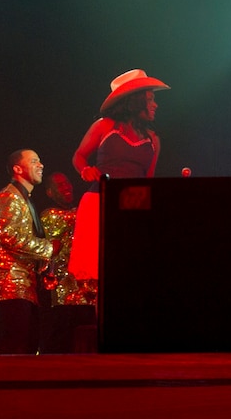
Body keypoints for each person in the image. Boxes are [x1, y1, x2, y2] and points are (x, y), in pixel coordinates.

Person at [70, 69, 167, 284]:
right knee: (100, 277)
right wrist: (85, 170)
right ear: (135, 101)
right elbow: (79, 156)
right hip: (99, 204)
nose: (155, 105)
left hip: (133, 208)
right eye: (150, 99)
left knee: (130, 274)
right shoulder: (104, 126)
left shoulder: (154, 140)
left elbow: (148, 184)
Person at [0, 149, 53, 354]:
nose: (40, 165)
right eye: (34, 161)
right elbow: (12, 239)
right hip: (10, 283)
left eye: (40, 161)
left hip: (24, 284)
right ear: (17, 168)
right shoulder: (8, 197)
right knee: (16, 346)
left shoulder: (23, 198)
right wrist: (50, 247)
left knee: (27, 346)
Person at [37, 171, 95, 353]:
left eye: (67, 183)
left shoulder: (78, 212)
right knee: (61, 341)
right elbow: (76, 219)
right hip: (62, 292)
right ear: (50, 193)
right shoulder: (49, 215)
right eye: (60, 185)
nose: (67, 187)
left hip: (84, 288)